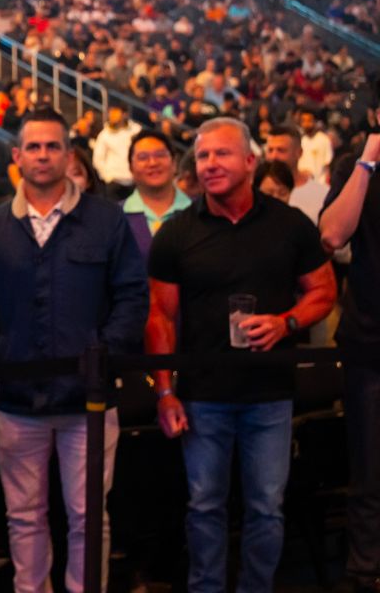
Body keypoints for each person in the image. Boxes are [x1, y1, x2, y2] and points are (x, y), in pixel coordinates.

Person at [146, 118, 337, 593]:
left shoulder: (289, 225)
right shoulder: (176, 233)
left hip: (269, 392)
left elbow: (324, 291)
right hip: (202, 394)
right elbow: (160, 319)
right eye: (203, 156)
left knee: (266, 508)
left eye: (222, 154)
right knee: (204, 505)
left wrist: (285, 322)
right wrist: (166, 393)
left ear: (251, 162)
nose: (210, 164)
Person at [0, 109, 147, 593]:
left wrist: (102, 354)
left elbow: (133, 296)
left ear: (69, 155)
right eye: (34, 147)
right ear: (17, 156)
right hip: (17, 402)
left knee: (90, 516)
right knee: (24, 517)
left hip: (88, 402)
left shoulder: (106, 221)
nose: (43, 155)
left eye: (53, 146)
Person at [320, 133, 380, 593]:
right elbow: (333, 234)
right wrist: (368, 159)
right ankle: (365, 570)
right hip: (370, 341)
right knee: (370, 469)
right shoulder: (354, 165)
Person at [122, 129, 193, 260]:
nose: (153, 163)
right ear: (131, 168)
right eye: (143, 157)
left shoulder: (199, 213)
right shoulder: (116, 217)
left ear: (174, 163)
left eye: (160, 155)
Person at [264, 125, 330, 221]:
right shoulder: (255, 192)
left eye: (281, 150)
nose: (274, 156)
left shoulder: (322, 195)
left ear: (299, 153)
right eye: (270, 150)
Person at [91, 106, 141, 198]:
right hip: (114, 181)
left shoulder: (136, 130)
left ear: (125, 114)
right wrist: (107, 177)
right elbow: (98, 159)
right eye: (111, 113)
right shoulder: (104, 134)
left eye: (115, 113)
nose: (112, 116)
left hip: (135, 181)